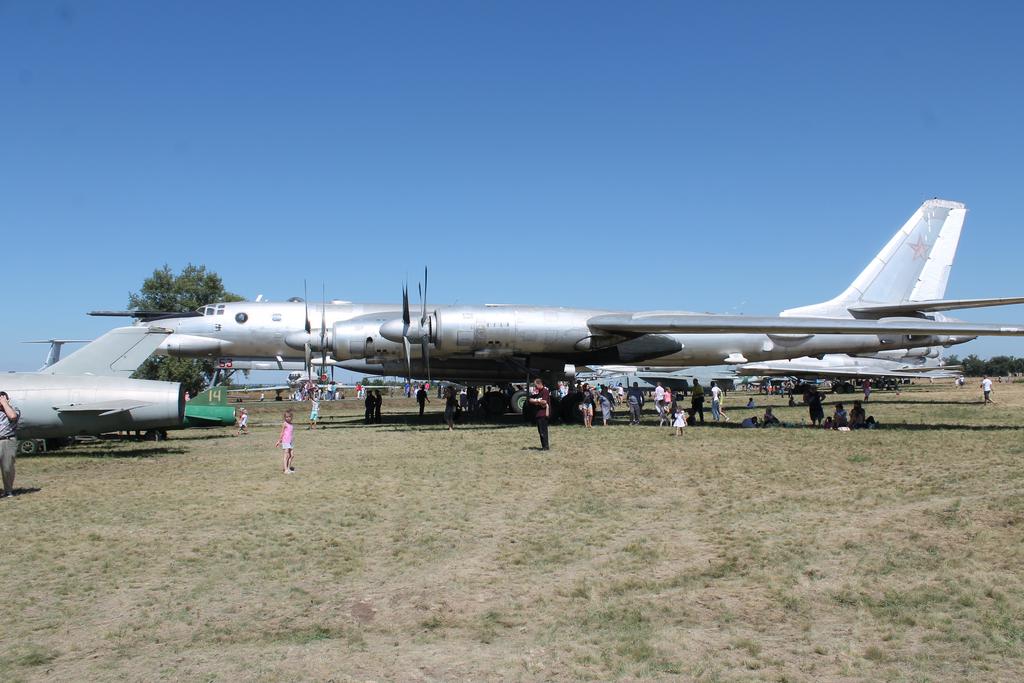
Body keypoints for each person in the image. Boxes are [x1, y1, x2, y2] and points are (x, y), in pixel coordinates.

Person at [0, 391, 21, 498]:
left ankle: (8, 491)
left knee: (7, 467)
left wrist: (4, 404)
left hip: (7, 441)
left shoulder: (14, 409)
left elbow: (12, 416)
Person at [528, 378, 550, 450]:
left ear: (539, 384)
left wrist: (536, 401)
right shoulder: (538, 392)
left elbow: (544, 402)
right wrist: (537, 401)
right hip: (538, 414)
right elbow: (530, 400)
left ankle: (546, 447)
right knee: (540, 432)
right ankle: (544, 446)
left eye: (535, 385)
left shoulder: (545, 391)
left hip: (543, 414)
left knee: (543, 432)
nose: (535, 387)